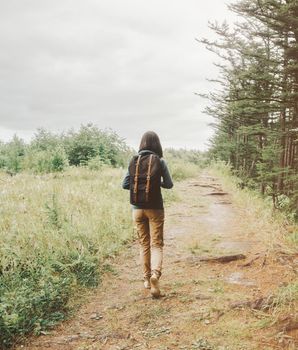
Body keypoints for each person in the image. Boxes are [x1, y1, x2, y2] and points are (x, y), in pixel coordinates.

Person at [122, 131, 173, 298]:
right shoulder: (160, 161)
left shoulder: (134, 160)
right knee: (156, 244)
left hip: (137, 209)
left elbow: (125, 184)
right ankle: (155, 275)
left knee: (144, 244)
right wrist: (155, 181)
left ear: (142, 143)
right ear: (157, 144)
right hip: (155, 208)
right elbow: (169, 184)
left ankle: (145, 279)